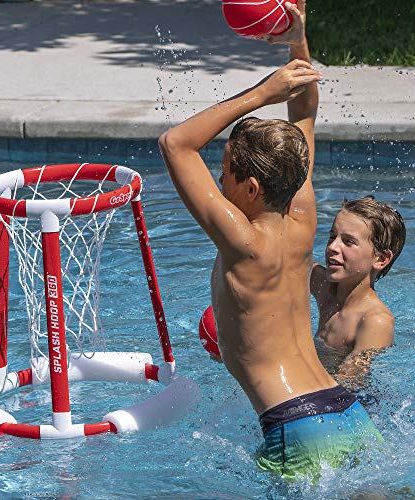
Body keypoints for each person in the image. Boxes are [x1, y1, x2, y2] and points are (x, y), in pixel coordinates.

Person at [159, 0, 381, 479]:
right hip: (348, 413)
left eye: (224, 173)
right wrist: (295, 40)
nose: (218, 183)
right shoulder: (300, 216)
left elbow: (175, 143)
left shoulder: (243, 241)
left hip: (297, 426)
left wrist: (261, 94)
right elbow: (303, 113)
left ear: (251, 188)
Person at [311, 196, 406, 390]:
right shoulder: (324, 287)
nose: (332, 247)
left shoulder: (375, 321)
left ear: (380, 259)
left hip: (354, 405)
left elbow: (347, 384)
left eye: (348, 241)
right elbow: (284, 257)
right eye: (332, 236)